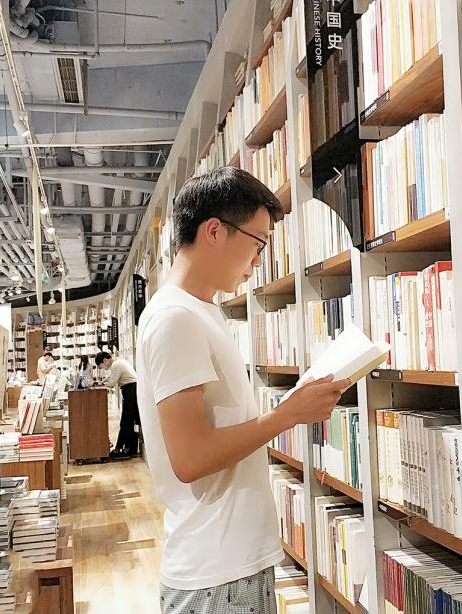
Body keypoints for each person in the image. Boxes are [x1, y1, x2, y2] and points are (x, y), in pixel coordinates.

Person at [137, 167, 349, 611]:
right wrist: (287, 414)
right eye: (258, 243)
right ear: (214, 231)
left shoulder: (199, 311)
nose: (258, 261)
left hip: (229, 563)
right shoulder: (176, 318)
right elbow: (190, 459)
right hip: (217, 573)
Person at [94, 351, 139, 458]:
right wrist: (101, 383)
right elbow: (110, 377)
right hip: (131, 390)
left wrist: (100, 385)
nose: (103, 368)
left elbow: (111, 384)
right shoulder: (118, 362)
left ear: (105, 360)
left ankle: (123, 449)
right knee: (127, 421)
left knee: (126, 421)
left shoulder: (116, 365)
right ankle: (122, 448)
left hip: (130, 390)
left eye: (101, 366)